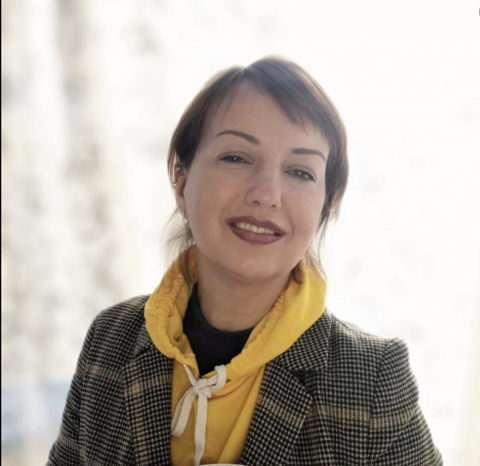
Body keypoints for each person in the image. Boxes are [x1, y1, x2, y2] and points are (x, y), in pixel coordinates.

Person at [47, 56, 442, 466]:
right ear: (181, 182)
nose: (267, 194)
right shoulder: (110, 338)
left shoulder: (372, 378)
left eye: (301, 172)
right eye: (236, 157)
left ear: (324, 207)